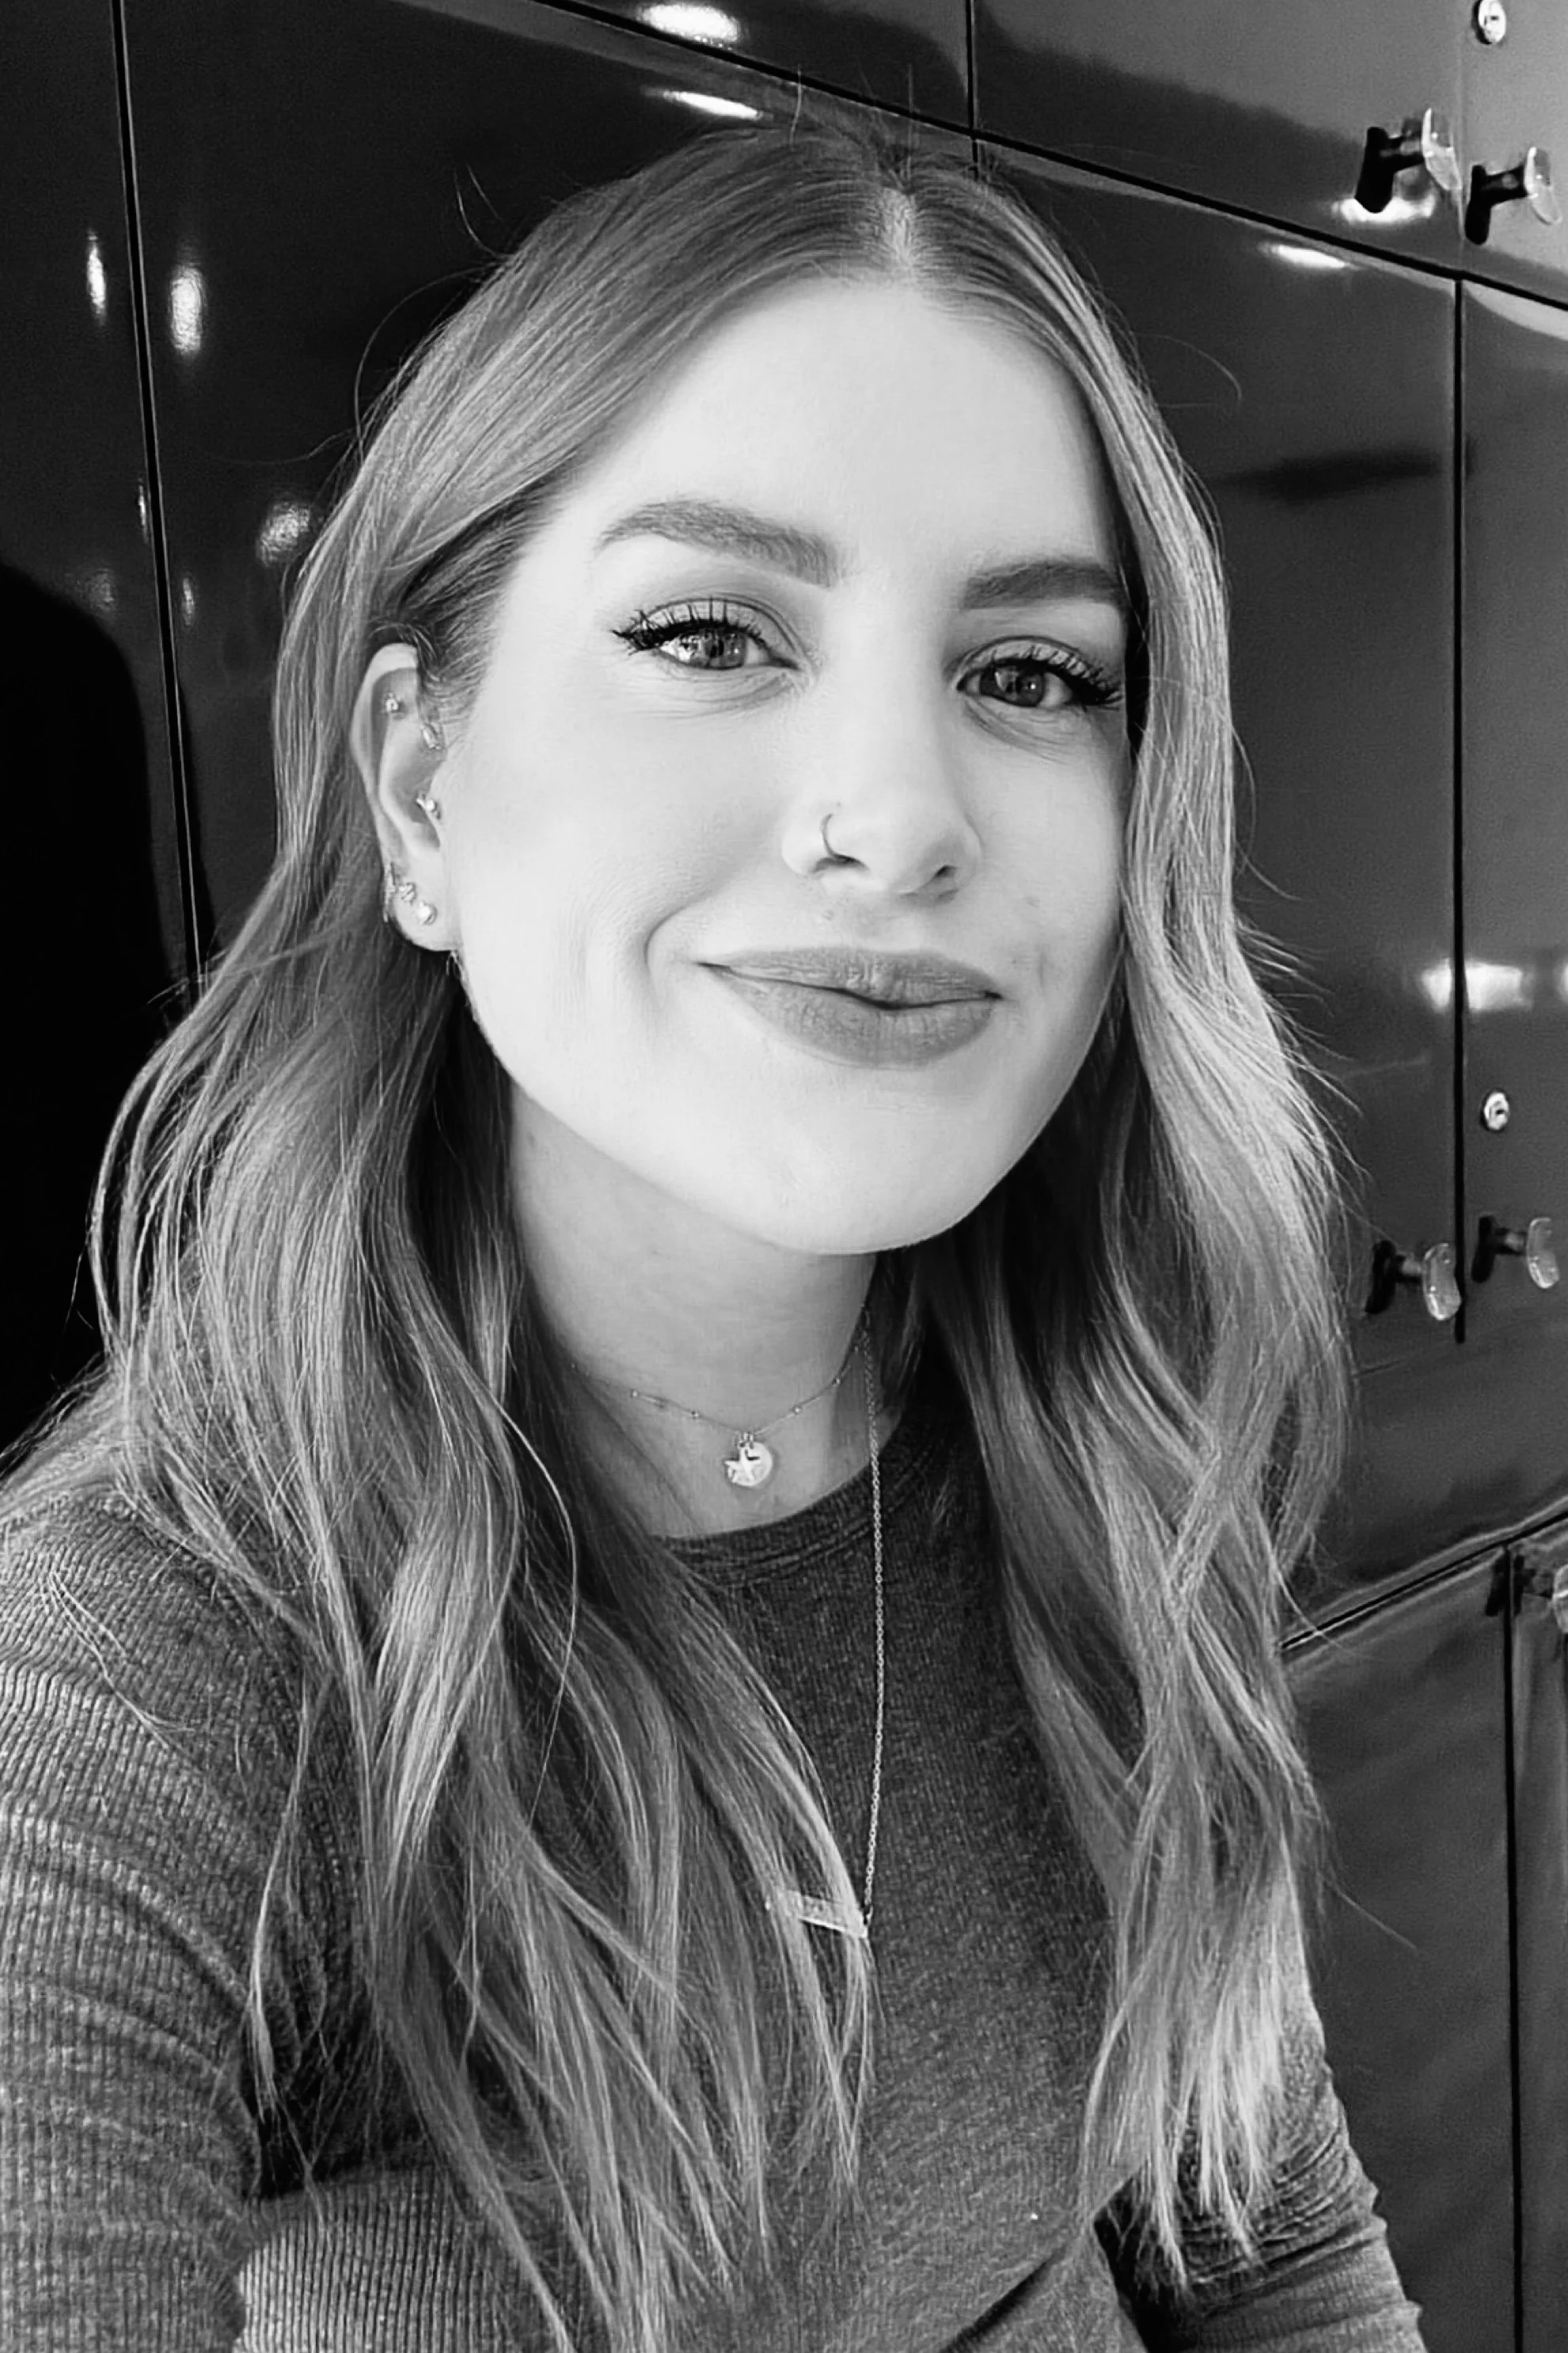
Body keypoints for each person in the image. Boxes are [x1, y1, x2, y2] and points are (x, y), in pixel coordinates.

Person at [0, 104, 1426, 2351]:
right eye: (707, 629)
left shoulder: (1094, 1461)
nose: (897, 816)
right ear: (416, 785)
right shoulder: (148, 1685)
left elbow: (1260, 2232)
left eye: (1029, 674)